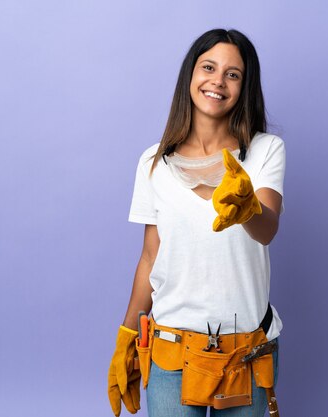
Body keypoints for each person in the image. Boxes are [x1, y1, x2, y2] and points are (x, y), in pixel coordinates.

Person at [108, 28, 286, 417]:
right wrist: (127, 335)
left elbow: (268, 229)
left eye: (233, 74)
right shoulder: (153, 162)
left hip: (247, 351)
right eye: (208, 67)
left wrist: (248, 208)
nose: (217, 81)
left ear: (245, 86)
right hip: (172, 349)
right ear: (191, 74)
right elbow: (150, 257)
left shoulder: (264, 150)